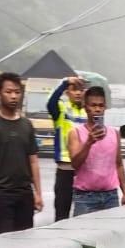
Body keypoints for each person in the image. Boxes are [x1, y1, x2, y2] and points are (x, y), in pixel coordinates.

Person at [0, 72, 43, 235]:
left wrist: (38, 193)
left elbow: (33, 161)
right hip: (1, 195)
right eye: (8, 92)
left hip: (25, 194)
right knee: (1, 243)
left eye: (17, 92)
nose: (13, 96)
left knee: (25, 240)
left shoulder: (26, 125)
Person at [68, 86, 125, 215]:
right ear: (86, 108)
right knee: (83, 234)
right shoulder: (76, 133)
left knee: (111, 234)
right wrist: (89, 142)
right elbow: (75, 164)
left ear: (105, 107)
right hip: (85, 198)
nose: (97, 109)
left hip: (110, 197)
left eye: (101, 106)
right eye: (93, 105)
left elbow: (119, 165)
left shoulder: (114, 133)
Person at [47, 76, 87, 221]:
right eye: (74, 89)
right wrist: (65, 83)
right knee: (62, 214)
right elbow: (51, 102)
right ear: (67, 92)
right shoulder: (61, 110)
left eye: (81, 90)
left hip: (83, 170)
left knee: (84, 214)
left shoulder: (87, 112)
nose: (78, 93)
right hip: (65, 169)